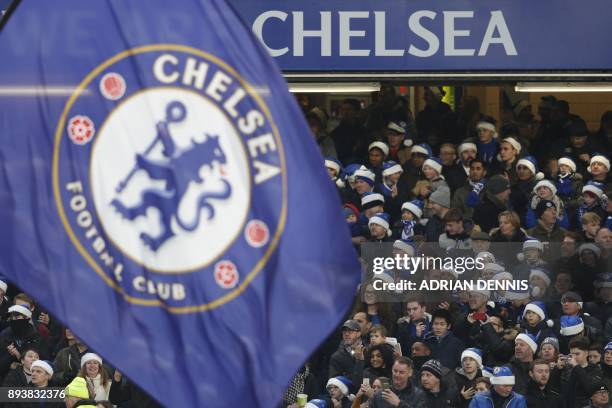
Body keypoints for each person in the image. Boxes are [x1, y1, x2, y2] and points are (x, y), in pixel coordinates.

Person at [0, 304, 50, 378]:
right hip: (6, 377)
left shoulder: (36, 337)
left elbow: (44, 362)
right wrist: (9, 357)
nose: (14, 320)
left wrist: (19, 356)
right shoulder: (5, 335)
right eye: (12, 317)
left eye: (17, 317)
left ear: (27, 317)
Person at [565, 336, 605, 407]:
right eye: (571, 355)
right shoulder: (567, 368)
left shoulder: (595, 369)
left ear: (586, 353)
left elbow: (592, 388)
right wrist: (557, 369)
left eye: (577, 354)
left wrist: (577, 367)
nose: (574, 358)